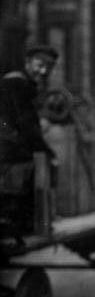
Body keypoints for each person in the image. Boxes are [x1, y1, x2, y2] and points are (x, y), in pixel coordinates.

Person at [0, 44, 58, 233]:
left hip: (8, 140)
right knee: (38, 166)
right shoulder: (18, 83)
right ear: (27, 62)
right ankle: (29, 223)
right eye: (39, 65)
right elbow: (26, 125)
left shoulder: (20, 83)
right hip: (8, 146)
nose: (43, 71)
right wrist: (47, 151)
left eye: (48, 68)